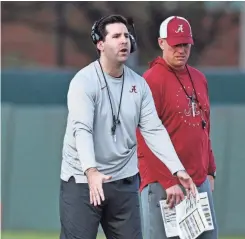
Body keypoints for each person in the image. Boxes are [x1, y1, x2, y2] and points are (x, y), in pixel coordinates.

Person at [59, 14, 196, 239]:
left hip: (123, 181)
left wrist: (177, 168)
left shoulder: (139, 85)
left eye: (126, 35)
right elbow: (82, 129)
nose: (124, 40)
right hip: (83, 182)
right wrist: (91, 171)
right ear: (100, 44)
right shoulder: (83, 82)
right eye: (116, 36)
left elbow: (153, 129)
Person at [137, 16, 218, 239]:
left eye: (186, 44)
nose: (181, 50)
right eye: (175, 44)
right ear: (162, 43)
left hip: (197, 181)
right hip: (164, 182)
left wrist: (210, 170)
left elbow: (204, 127)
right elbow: (143, 136)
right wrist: (168, 180)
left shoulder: (199, 78)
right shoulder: (151, 80)